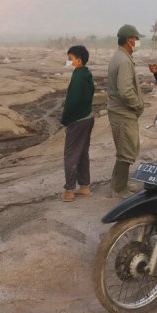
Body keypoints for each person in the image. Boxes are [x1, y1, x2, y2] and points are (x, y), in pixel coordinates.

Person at [107, 24, 145, 198]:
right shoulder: (123, 60)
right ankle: (120, 188)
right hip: (123, 112)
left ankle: (116, 184)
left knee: (124, 149)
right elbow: (125, 91)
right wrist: (137, 105)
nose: (137, 42)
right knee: (126, 152)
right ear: (130, 40)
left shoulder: (120, 56)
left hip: (120, 111)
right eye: (136, 39)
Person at [59, 45, 96, 202]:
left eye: (70, 59)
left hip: (77, 120)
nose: (69, 62)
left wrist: (65, 119)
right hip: (88, 117)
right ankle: (85, 186)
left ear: (79, 60)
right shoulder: (86, 73)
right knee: (82, 153)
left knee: (71, 154)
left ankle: (69, 191)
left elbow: (72, 101)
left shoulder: (78, 76)